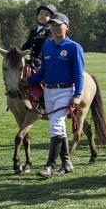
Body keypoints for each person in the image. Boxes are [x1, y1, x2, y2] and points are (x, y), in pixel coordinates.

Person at [25, 12, 85, 179]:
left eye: (59, 25)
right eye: (53, 25)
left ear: (67, 27)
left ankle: (50, 166)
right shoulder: (48, 46)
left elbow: (79, 74)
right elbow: (43, 72)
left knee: (56, 125)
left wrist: (77, 95)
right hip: (49, 91)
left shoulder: (74, 47)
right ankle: (67, 163)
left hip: (66, 91)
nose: (55, 28)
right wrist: (28, 81)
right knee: (59, 129)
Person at [22, 3, 57, 69]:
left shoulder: (50, 31)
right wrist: (18, 54)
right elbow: (27, 45)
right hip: (33, 61)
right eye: (40, 14)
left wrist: (39, 59)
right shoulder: (33, 31)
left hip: (45, 61)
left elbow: (44, 46)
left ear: (51, 18)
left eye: (46, 14)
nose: (42, 16)